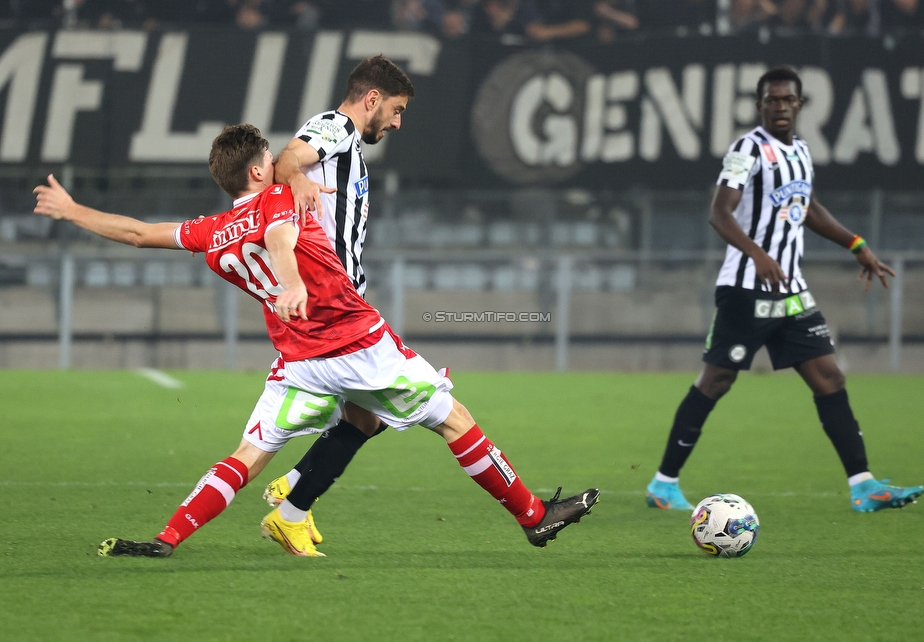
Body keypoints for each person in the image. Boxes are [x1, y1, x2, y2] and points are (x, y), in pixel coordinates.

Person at [34, 124, 599, 557]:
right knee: (454, 419)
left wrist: (72, 210)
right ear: (259, 171)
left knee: (247, 457)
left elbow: (137, 234)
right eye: (269, 162)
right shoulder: (276, 200)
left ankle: (165, 538)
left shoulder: (210, 231)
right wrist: (293, 282)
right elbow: (281, 239)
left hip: (298, 362)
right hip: (359, 346)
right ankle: (533, 516)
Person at [644, 67, 924, 515]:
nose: (779, 106)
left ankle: (864, 486)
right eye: (771, 100)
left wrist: (857, 245)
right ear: (760, 105)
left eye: (786, 100)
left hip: (791, 291)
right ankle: (663, 483)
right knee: (717, 380)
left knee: (829, 377)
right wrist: (756, 253)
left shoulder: (802, 152)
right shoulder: (747, 150)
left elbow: (806, 207)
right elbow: (720, 212)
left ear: (799, 104)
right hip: (745, 290)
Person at [258, 55, 414, 544]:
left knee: (368, 416)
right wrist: (297, 177)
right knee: (396, 404)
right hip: (332, 302)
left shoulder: (347, 146)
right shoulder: (336, 126)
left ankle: (296, 491)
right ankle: (293, 502)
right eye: (396, 108)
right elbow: (284, 160)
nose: (397, 121)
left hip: (343, 296)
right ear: (372, 99)